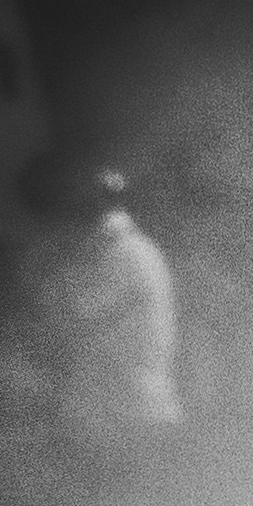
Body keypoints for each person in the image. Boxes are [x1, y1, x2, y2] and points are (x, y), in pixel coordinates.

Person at [30, 157, 182, 428]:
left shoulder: (121, 254)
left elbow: (76, 317)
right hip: (139, 409)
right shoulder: (138, 249)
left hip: (127, 415)